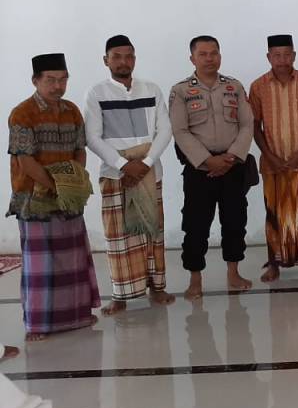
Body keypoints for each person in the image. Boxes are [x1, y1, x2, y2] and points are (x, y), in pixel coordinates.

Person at [8, 53, 99, 340]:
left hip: (68, 197)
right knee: (41, 266)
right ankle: (38, 324)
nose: (58, 86)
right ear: (35, 81)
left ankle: (77, 316)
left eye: (62, 80)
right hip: (34, 199)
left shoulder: (72, 111)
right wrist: (56, 186)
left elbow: (80, 150)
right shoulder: (22, 113)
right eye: (50, 80)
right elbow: (24, 161)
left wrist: (72, 183)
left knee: (73, 260)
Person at [84, 34, 175, 315]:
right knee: (119, 236)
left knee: (152, 232)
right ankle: (120, 296)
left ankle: (157, 288)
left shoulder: (151, 89)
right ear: (106, 60)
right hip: (116, 175)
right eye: (117, 57)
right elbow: (92, 137)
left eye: (129, 56)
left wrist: (145, 162)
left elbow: (165, 129)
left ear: (134, 59)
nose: (124, 62)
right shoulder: (97, 93)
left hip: (149, 173)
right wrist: (124, 165)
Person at [169, 35, 254, 300]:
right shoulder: (181, 91)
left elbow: (247, 125)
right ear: (192, 58)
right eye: (203, 54)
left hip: (232, 166)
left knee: (235, 222)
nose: (209, 59)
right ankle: (195, 279)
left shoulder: (234, 86)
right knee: (195, 225)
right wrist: (208, 161)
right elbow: (180, 131)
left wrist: (230, 158)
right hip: (199, 170)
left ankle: (234, 273)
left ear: (220, 55)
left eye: (214, 53)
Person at [249, 34, 298, 283]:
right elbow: (254, 124)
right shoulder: (258, 86)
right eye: (277, 55)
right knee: (274, 214)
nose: (282, 60)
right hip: (272, 164)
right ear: (268, 57)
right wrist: (269, 155)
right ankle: (274, 264)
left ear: (294, 55)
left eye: (286, 55)